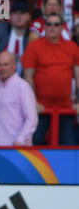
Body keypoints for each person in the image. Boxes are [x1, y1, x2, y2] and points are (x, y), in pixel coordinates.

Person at [22, 12, 79, 145]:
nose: (52, 27)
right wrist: (33, 102)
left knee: (67, 143)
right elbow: (28, 78)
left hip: (66, 106)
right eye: (49, 24)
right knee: (36, 141)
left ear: (62, 27)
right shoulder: (34, 47)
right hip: (41, 107)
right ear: (44, 27)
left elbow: (78, 77)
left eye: (56, 24)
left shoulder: (72, 47)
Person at [0, 51, 38, 146]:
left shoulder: (23, 87)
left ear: (15, 66)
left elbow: (32, 118)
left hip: (17, 149)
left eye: (6, 64)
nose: (2, 68)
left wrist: (20, 140)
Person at [0, 1, 31, 76]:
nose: (18, 16)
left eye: (22, 13)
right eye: (15, 13)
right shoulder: (0, 29)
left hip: (22, 80)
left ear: (28, 17)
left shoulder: (31, 37)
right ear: (10, 16)